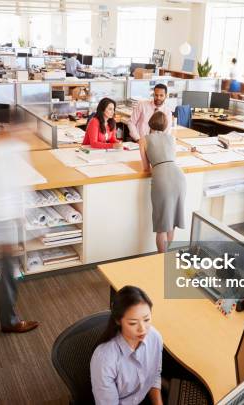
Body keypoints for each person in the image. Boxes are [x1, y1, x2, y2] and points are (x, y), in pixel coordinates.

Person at [0, 141, 40, 334]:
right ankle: (9, 322)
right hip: (2, 218)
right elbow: (12, 188)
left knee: (8, 270)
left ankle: (8, 319)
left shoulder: (0, 149)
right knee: (8, 272)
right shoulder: (10, 151)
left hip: (1, 217)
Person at [91, 286, 163, 405]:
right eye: (133, 323)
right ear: (118, 321)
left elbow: (154, 375)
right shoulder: (105, 359)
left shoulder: (154, 337)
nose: (142, 329)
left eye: (146, 319)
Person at [139, 111, 186, 253]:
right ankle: (167, 257)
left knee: (162, 225)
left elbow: (146, 167)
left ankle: (161, 259)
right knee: (171, 223)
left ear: (150, 123)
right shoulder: (172, 138)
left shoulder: (144, 140)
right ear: (166, 125)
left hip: (161, 179)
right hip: (179, 177)